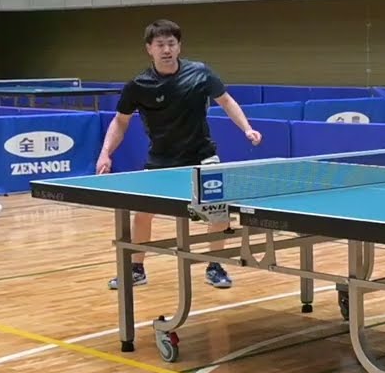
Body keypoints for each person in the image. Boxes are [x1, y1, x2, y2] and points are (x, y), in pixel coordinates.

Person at [96, 19, 262, 290]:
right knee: (143, 214)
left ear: (179, 46)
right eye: (160, 44)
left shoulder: (201, 73)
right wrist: (105, 153)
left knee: (218, 213)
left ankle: (215, 265)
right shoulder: (138, 85)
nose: (166, 49)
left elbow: (226, 100)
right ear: (149, 48)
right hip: (162, 159)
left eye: (171, 43)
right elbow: (120, 121)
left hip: (202, 156)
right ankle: (137, 268)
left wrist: (247, 128)